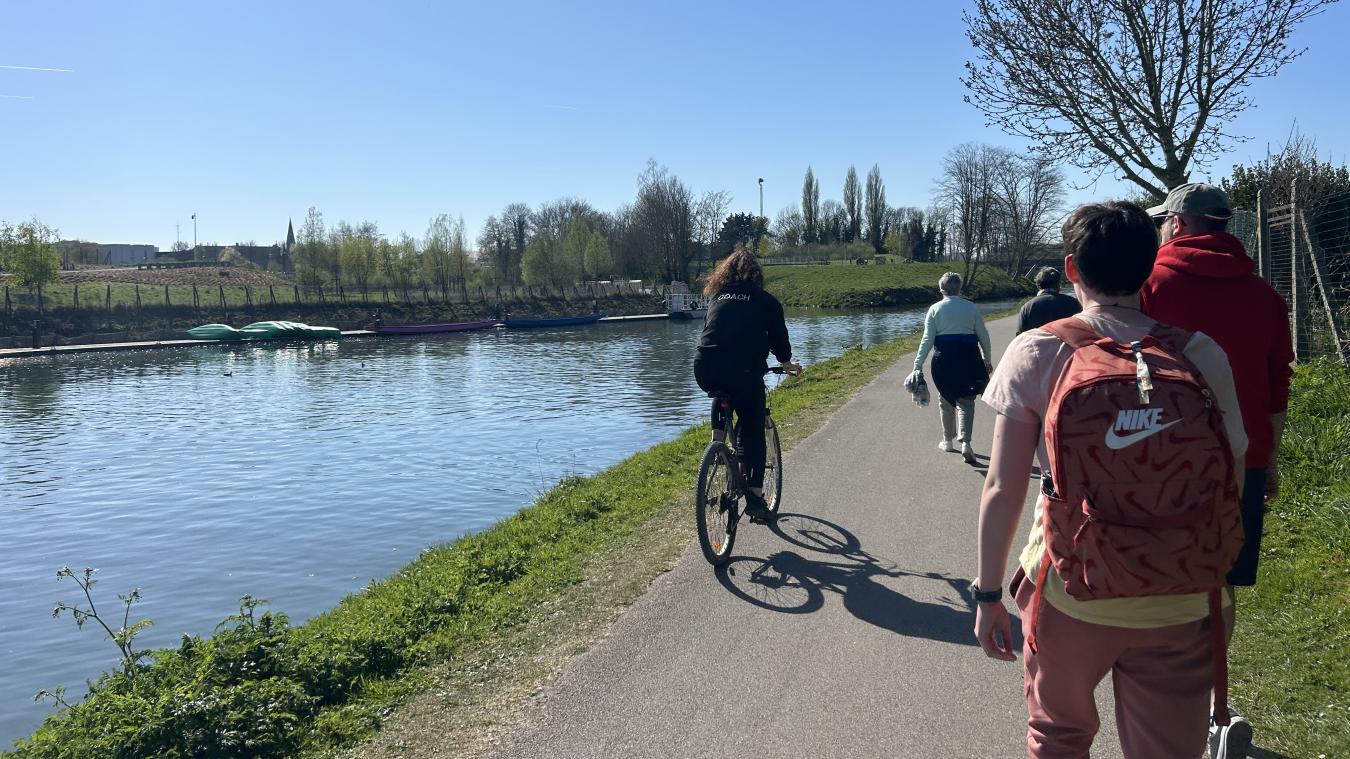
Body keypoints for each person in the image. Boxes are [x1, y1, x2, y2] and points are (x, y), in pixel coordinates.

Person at [973, 201, 1248, 759]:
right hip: (1183, 594)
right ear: (1151, 266)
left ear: (1072, 268)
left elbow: (1003, 486)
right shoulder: (1200, 354)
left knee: (1060, 737)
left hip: (1071, 591)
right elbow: (1232, 475)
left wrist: (987, 595)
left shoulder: (1038, 350)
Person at [1140, 181, 1294, 757]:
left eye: (1163, 221)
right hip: (1242, 459)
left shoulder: (1151, 285)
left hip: (1160, 458)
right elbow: (1278, 384)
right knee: (1222, 580)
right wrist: (1268, 458)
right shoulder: (1263, 294)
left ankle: (1162, 699)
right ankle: (1212, 705)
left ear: (1177, 225)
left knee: (1159, 574)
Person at [694, 247, 800, 521]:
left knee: (722, 389)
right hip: (744, 371)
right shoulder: (766, 301)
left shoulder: (717, 297)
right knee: (753, 425)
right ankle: (754, 496)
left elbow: (713, 333)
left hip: (704, 367)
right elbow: (780, 341)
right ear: (757, 275)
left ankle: (717, 444)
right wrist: (787, 363)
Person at [913, 272, 992, 464]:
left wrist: (918, 364)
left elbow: (927, 339)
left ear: (941, 290)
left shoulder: (934, 309)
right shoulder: (971, 307)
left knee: (945, 398)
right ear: (960, 289)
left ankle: (947, 441)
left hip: (943, 360)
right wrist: (986, 359)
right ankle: (966, 443)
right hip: (969, 358)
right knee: (966, 400)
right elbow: (984, 336)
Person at [1016, 266, 1081, 334]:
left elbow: (1020, 336)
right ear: (1058, 285)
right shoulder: (1073, 303)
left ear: (1037, 285)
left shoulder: (1027, 307)